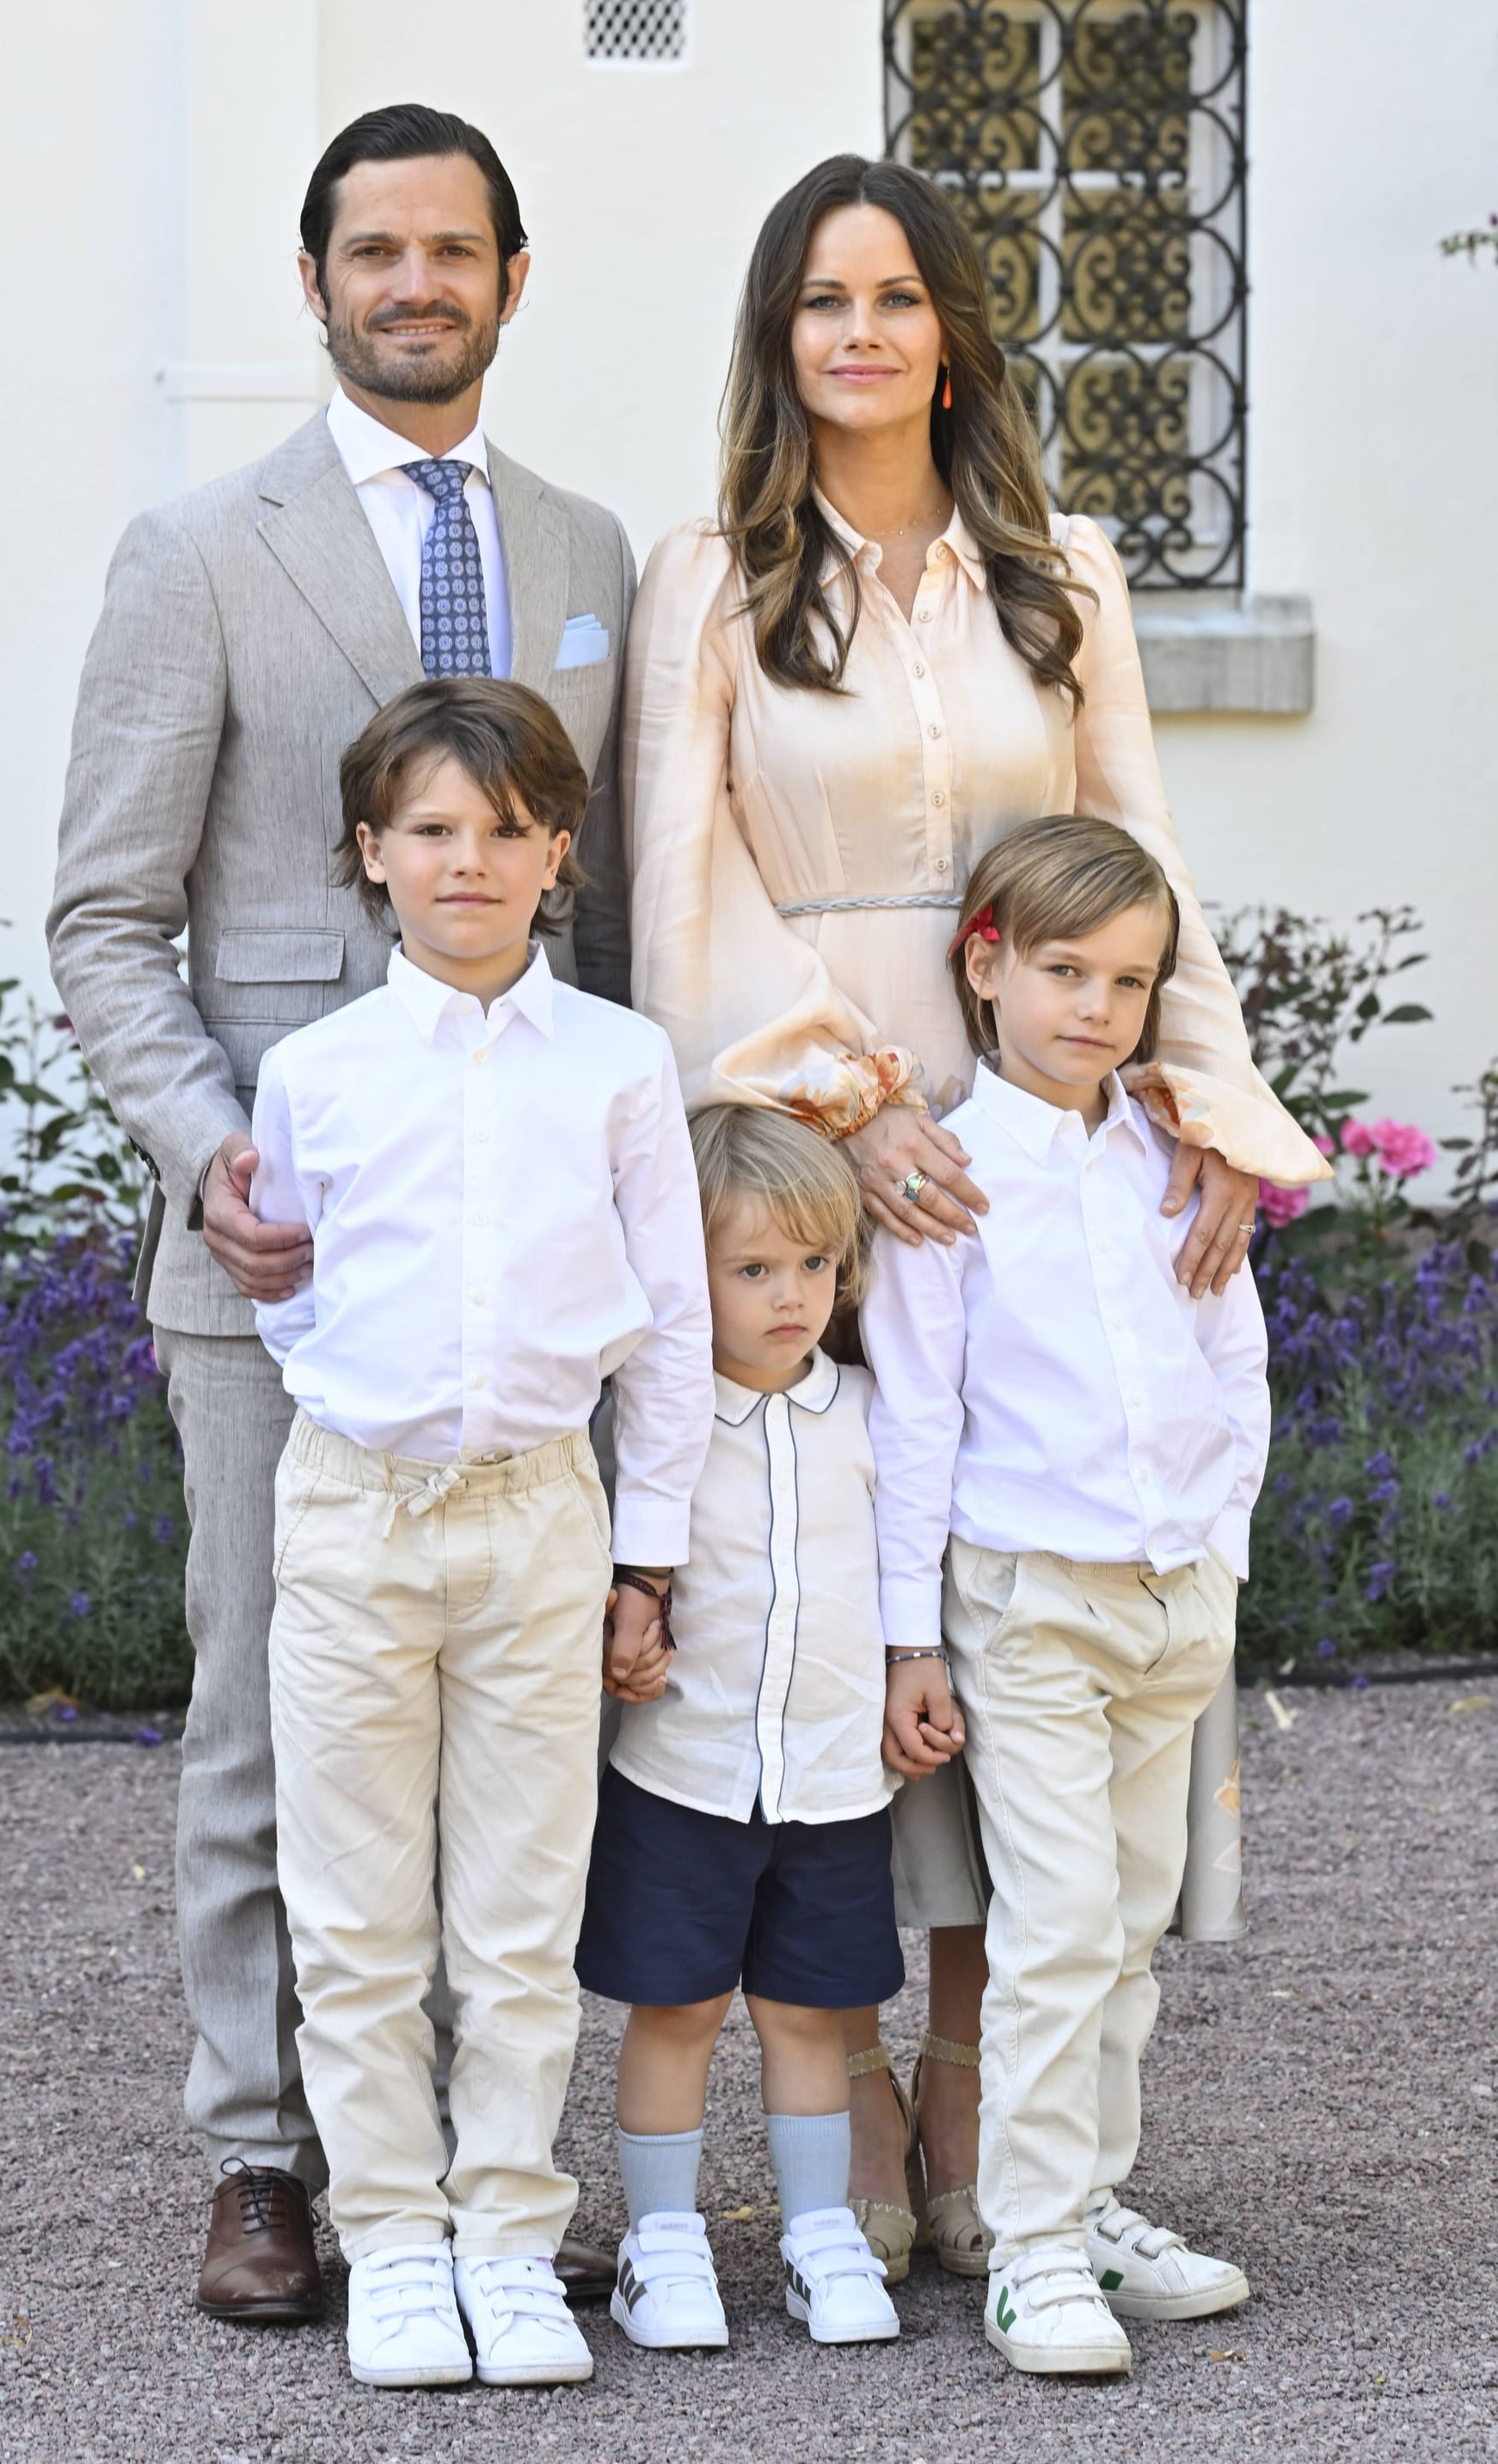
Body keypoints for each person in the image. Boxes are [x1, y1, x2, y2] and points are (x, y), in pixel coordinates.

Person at [621, 150, 1329, 2278]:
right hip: (840, 1161)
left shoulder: (1064, 568)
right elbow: (687, 894)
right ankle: (866, 2158)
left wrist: (1200, 1097)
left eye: (898, 295)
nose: (861, 332)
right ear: (781, 336)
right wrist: (862, 1104)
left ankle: (1010, 2159)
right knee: (889, 1613)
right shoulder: (716, 578)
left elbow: (1139, 845)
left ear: (952, 328)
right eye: (821, 299)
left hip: (1060, 1125)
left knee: (1046, 1576)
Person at [47, 103, 636, 2316]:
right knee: (265, 1710)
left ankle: (493, 2173)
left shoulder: (588, 547)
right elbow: (108, 913)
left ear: (508, 274)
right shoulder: (196, 548)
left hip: (522, 1261)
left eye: (453, 248)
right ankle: (268, 2154)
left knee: (514, 1716)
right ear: (317, 283)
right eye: (373, 250)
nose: (416, 282)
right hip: (279, 1252)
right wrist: (213, 1148)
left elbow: (620, 905)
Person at [249, 677, 713, 2388]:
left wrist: (644, 1552)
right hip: (358, 1515)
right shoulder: (315, 1069)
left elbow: (669, 1318)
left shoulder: (616, 1060)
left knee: (520, 1902)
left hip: (540, 1518)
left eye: (507, 830)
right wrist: (374, 1422)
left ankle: (511, 2227)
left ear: (558, 850)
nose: (469, 861)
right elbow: (292, 1294)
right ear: (372, 853)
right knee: (357, 1903)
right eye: (432, 830)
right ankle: (389, 2233)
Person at [863, 814, 1268, 2375]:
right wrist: (912, 1636)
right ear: (986, 966)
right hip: (1028, 1602)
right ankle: (1028, 2253)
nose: (1096, 1007)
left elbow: (1236, 1368)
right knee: (1054, 1924)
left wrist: (1216, 1547)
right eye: (1062, 972)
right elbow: (914, 1414)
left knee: (1129, 1934)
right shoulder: (951, 1178)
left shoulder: (1178, 1158)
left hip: (1174, 1601)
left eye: (1129, 982)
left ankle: (1086, 2202)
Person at [575, 1105, 911, 2351]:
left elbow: (904, 1577)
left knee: (809, 2016)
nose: (791, 1297)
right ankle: (661, 2243)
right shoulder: (647, 1428)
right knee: (675, 2011)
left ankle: (818, 2231)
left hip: (833, 1780)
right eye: (752, 1269)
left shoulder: (873, 1416)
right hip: (685, 1774)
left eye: (814, 1266)